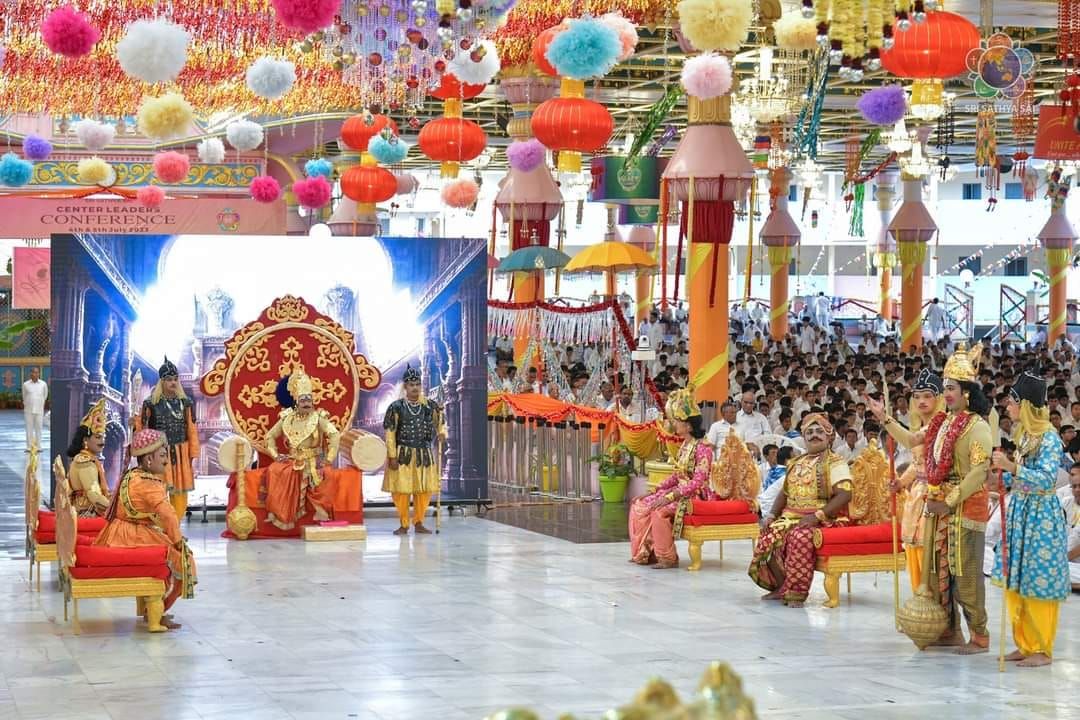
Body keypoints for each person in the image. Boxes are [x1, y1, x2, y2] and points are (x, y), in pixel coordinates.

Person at [887, 343, 993, 654]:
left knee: (965, 575)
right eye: (945, 388)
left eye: (951, 388)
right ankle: (950, 630)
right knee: (937, 572)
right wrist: (884, 418)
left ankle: (980, 636)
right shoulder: (942, 422)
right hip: (938, 504)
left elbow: (979, 471)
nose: (946, 394)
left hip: (965, 507)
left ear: (967, 392)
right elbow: (913, 441)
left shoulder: (977, 426)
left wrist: (948, 501)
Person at [990, 373, 1070, 667]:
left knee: (1037, 579)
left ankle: (1041, 648)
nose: (1008, 407)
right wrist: (1003, 477)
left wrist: (1012, 468)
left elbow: (1047, 479)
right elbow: (1022, 478)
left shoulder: (1049, 438)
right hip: (1022, 510)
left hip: (1040, 516)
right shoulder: (1024, 435)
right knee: (1019, 578)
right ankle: (1024, 643)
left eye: (1012, 402)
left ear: (1025, 405)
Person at [95, 429, 196, 631]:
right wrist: (178, 541)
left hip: (118, 533)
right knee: (186, 562)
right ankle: (157, 610)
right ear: (149, 459)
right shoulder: (149, 484)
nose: (166, 461)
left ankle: (155, 607)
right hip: (132, 536)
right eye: (163, 455)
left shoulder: (132, 475)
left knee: (172, 552)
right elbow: (168, 515)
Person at [748, 413, 852, 607]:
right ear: (803, 437)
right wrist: (771, 515)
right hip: (791, 517)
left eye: (819, 431)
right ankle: (782, 586)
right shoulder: (796, 463)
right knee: (768, 534)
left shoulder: (836, 462)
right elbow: (784, 493)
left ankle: (797, 592)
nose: (814, 435)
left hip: (825, 519)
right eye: (809, 432)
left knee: (800, 537)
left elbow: (845, 495)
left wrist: (817, 516)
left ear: (829, 437)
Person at [869, 369, 946, 597]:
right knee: (913, 548)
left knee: (928, 549)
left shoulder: (941, 425)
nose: (922, 401)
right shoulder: (921, 426)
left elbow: (912, 442)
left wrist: (885, 418)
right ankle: (918, 600)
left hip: (935, 494)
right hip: (917, 493)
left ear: (939, 398)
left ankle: (932, 603)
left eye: (928, 396)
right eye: (917, 396)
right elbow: (917, 463)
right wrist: (902, 482)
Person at [628, 384, 716, 569]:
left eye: (677, 420)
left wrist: (670, 496)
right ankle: (646, 553)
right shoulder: (685, 446)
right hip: (679, 491)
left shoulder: (703, 449)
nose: (673, 424)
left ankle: (667, 557)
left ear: (688, 425)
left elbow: (698, 482)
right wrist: (655, 491)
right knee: (640, 504)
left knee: (659, 511)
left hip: (694, 496)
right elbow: (677, 475)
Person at [262, 371, 342, 530]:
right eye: (303, 400)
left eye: (309, 399)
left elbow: (334, 434)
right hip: (292, 459)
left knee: (319, 474)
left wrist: (328, 458)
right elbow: (269, 436)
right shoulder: (287, 418)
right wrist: (276, 456)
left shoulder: (318, 418)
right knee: (274, 470)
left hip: (313, 459)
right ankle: (277, 512)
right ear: (296, 401)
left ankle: (321, 513)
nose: (306, 403)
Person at [382, 364, 446, 535]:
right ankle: (404, 523)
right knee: (401, 490)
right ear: (405, 386)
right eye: (411, 385)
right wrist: (392, 456)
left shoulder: (430, 406)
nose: (415, 388)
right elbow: (390, 433)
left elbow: (440, 422)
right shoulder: (396, 407)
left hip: (424, 454)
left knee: (424, 490)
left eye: (417, 384)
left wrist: (442, 433)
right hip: (403, 454)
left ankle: (419, 522)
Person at [135, 357, 199, 519]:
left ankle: (174, 527)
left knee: (180, 495)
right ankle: (160, 528)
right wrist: (143, 455)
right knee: (157, 492)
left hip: (180, 453)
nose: (173, 382)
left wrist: (192, 454)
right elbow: (142, 429)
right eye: (169, 379)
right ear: (162, 381)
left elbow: (191, 430)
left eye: (175, 379)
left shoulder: (186, 403)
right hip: (158, 453)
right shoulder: (150, 403)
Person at [64, 399, 110, 517]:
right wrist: (114, 509)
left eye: (103, 437)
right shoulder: (85, 463)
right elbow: (94, 495)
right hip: (86, 514)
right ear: (85, 440)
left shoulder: (87, 459)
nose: (102, 442)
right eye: (98, 437)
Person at [21, 366, 47, 452]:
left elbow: (45, 395)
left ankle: (38, 447)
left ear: (39, 374)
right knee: (29, 429)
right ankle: (29, 447)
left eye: (36, 372)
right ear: (30, 374)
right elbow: (24, 396)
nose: (34, 374)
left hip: (39, 410)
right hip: (28, 410)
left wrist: (40, 403)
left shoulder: (43, 384)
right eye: (33, 372)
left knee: (39, 429)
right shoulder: (25, 384)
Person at [1063, 464, 1080, 591]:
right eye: (1074, 487)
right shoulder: (1066, 502)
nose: (1077, 490)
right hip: (1069, 563)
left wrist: (1060, 561)